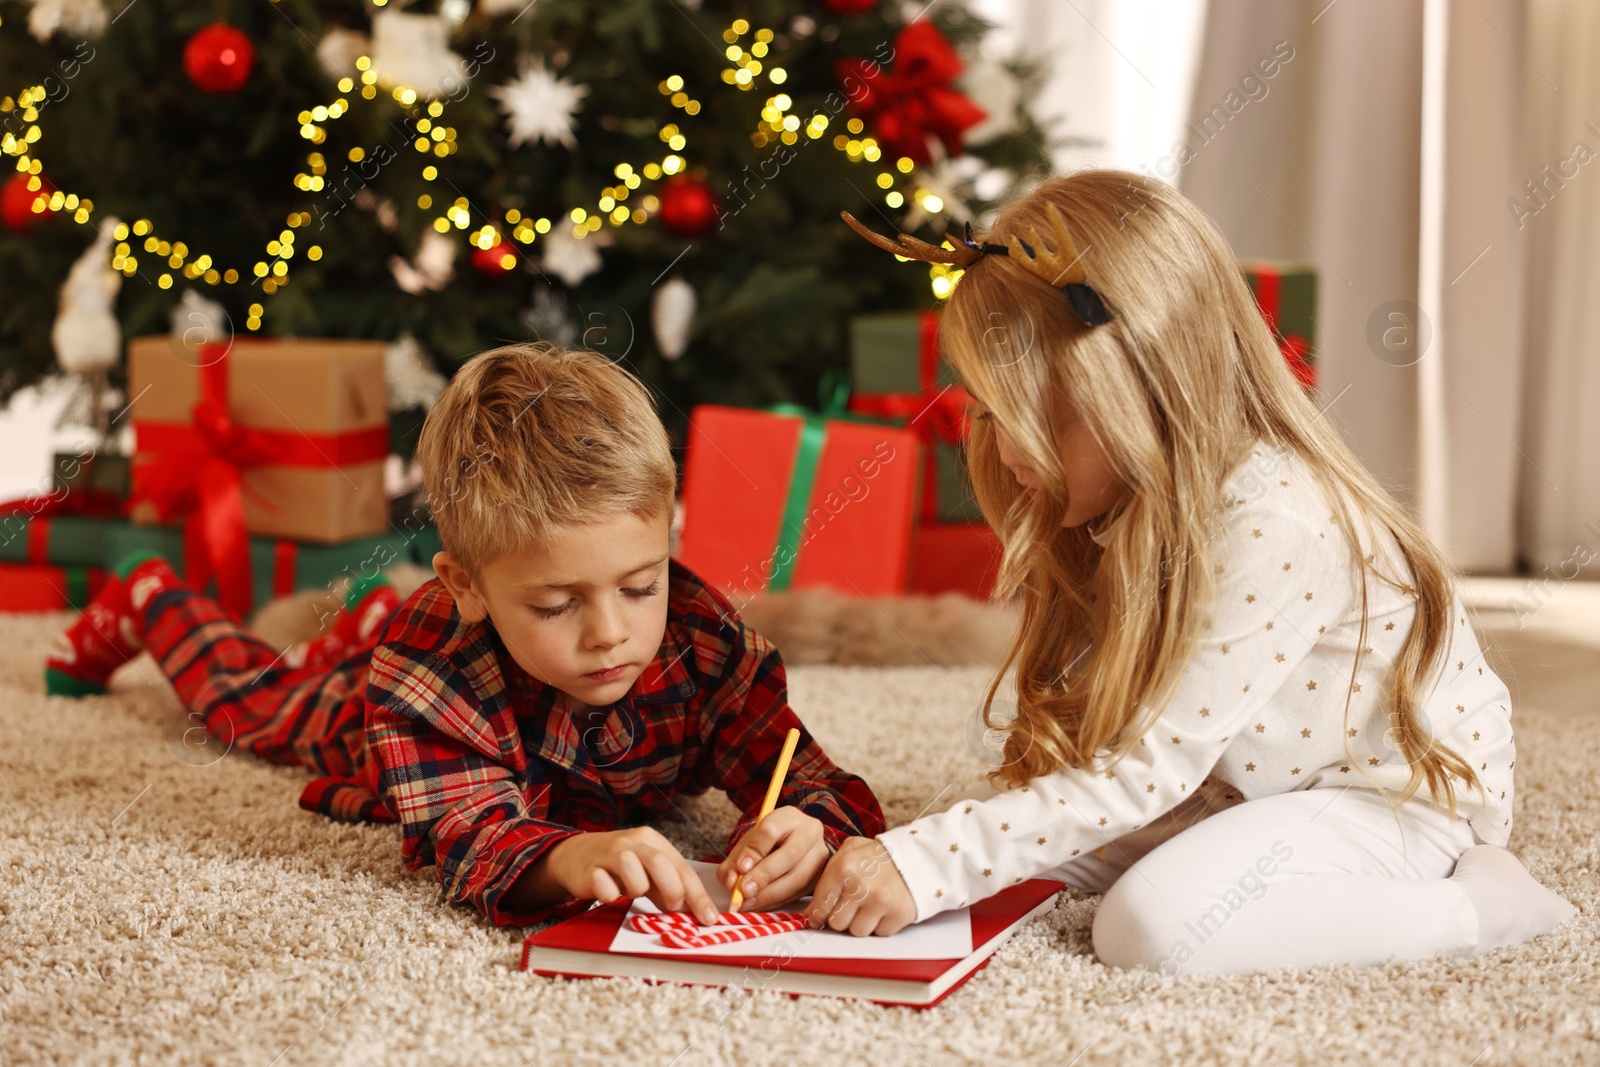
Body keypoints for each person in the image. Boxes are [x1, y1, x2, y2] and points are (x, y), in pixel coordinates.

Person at [806, 171, 1575, 974]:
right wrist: (894, 857)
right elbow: (1106, 768)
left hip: (1390, 800)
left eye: (1036, 418)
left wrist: (926, 862)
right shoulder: (1125, 501)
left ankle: (1481, 905)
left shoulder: (1278, 515)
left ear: (1135, 391)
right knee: (1008, 847)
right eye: (992, 415)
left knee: (1156, 924)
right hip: (1233, 787)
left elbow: (1145, 769)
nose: (1003, 455)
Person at [46, 342, 884, 928]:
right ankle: (147, 596)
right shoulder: (430, 674)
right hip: (367, 711)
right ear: (467, 587)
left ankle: (370, 609)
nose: (610, 634)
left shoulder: (702, 637)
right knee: (250, 703)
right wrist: (570, 857)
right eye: (556, 605)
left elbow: (806, 771)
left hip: (448, 650)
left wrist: (806, 822)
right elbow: (471, 835)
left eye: (639, 585)